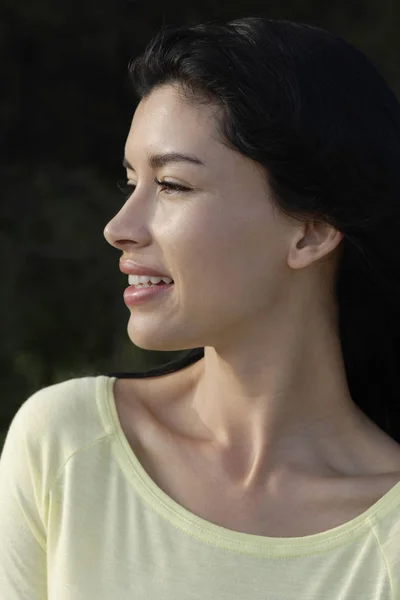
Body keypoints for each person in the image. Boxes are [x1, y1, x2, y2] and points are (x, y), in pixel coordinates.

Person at [1, 15, 400, 599]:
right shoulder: (67, 445)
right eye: (130, 181)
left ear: (311, 232)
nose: (119, 228)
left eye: (172, 186)